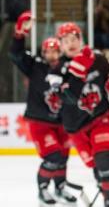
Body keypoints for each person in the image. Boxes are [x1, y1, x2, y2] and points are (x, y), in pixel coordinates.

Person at [50, 22, 109, 207]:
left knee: (105, 161)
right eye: (66, 40)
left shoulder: (97, 59)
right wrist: (77, 72)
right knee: (98, 170)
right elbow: (66, 98)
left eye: (74, 38)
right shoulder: (57, 70)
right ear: (61, 45)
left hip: (100, 119)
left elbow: (108, 80)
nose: (71, 43)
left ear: (81, 40)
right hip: (77, 129)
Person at [9, 11, 77, 205]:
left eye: (55, 51)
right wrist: (19, 34)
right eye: (48, 51)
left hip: (62, 122)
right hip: (40, 122)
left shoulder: (67, 67)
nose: (52, 55)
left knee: (63, 157)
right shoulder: (35, 66)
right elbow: (16, 54)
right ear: (43, 53)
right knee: (53, 157)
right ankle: (43, 189)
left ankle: (60, 187)